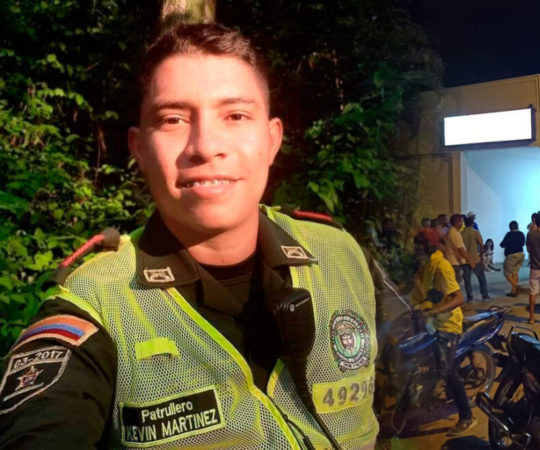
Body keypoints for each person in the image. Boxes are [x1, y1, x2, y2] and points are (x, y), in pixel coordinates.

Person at [0, 24, 386, 449]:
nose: (204, 146)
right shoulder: (97, 305)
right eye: (173, 119)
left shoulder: (341, 254)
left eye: (235, 116)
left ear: (272, 140)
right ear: (139, 148)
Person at [410, 234, 476, 435]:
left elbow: (458, 298)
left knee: (447, 370)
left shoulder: (442, 266)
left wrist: (433, 312)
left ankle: (466, 416)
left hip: (447, 325)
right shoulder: (427, 265)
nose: (415, 252)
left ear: (429, 247)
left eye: (419, 248)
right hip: (432, 323)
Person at [461, 216, 490, 302]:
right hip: (475, 258)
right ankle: (485, 296)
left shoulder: (461, 233)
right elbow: (481, 245)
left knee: (467, 279)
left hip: (465, 259)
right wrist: (481, 255)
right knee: (481, 277)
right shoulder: (475, 232)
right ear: (472, 223)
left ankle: (469, 297)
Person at [444, 214, 473, 288]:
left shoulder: (455, 232)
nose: (463, 223)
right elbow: (461, 249)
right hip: (454, 262)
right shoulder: (453, 233)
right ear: (458, 222)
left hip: (456, 261)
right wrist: (470, 261)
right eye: (462, 221)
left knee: (455, 284)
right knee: (454, 286)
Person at [500, 221, 526, 297]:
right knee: (515, 272)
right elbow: (523, 243)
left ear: (510, 227)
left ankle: (517, 286)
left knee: (506, 273)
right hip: (521, 254)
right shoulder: (521, 234)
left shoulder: (509, 234)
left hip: (512, 256)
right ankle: (514, 291)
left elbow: (502, 244)